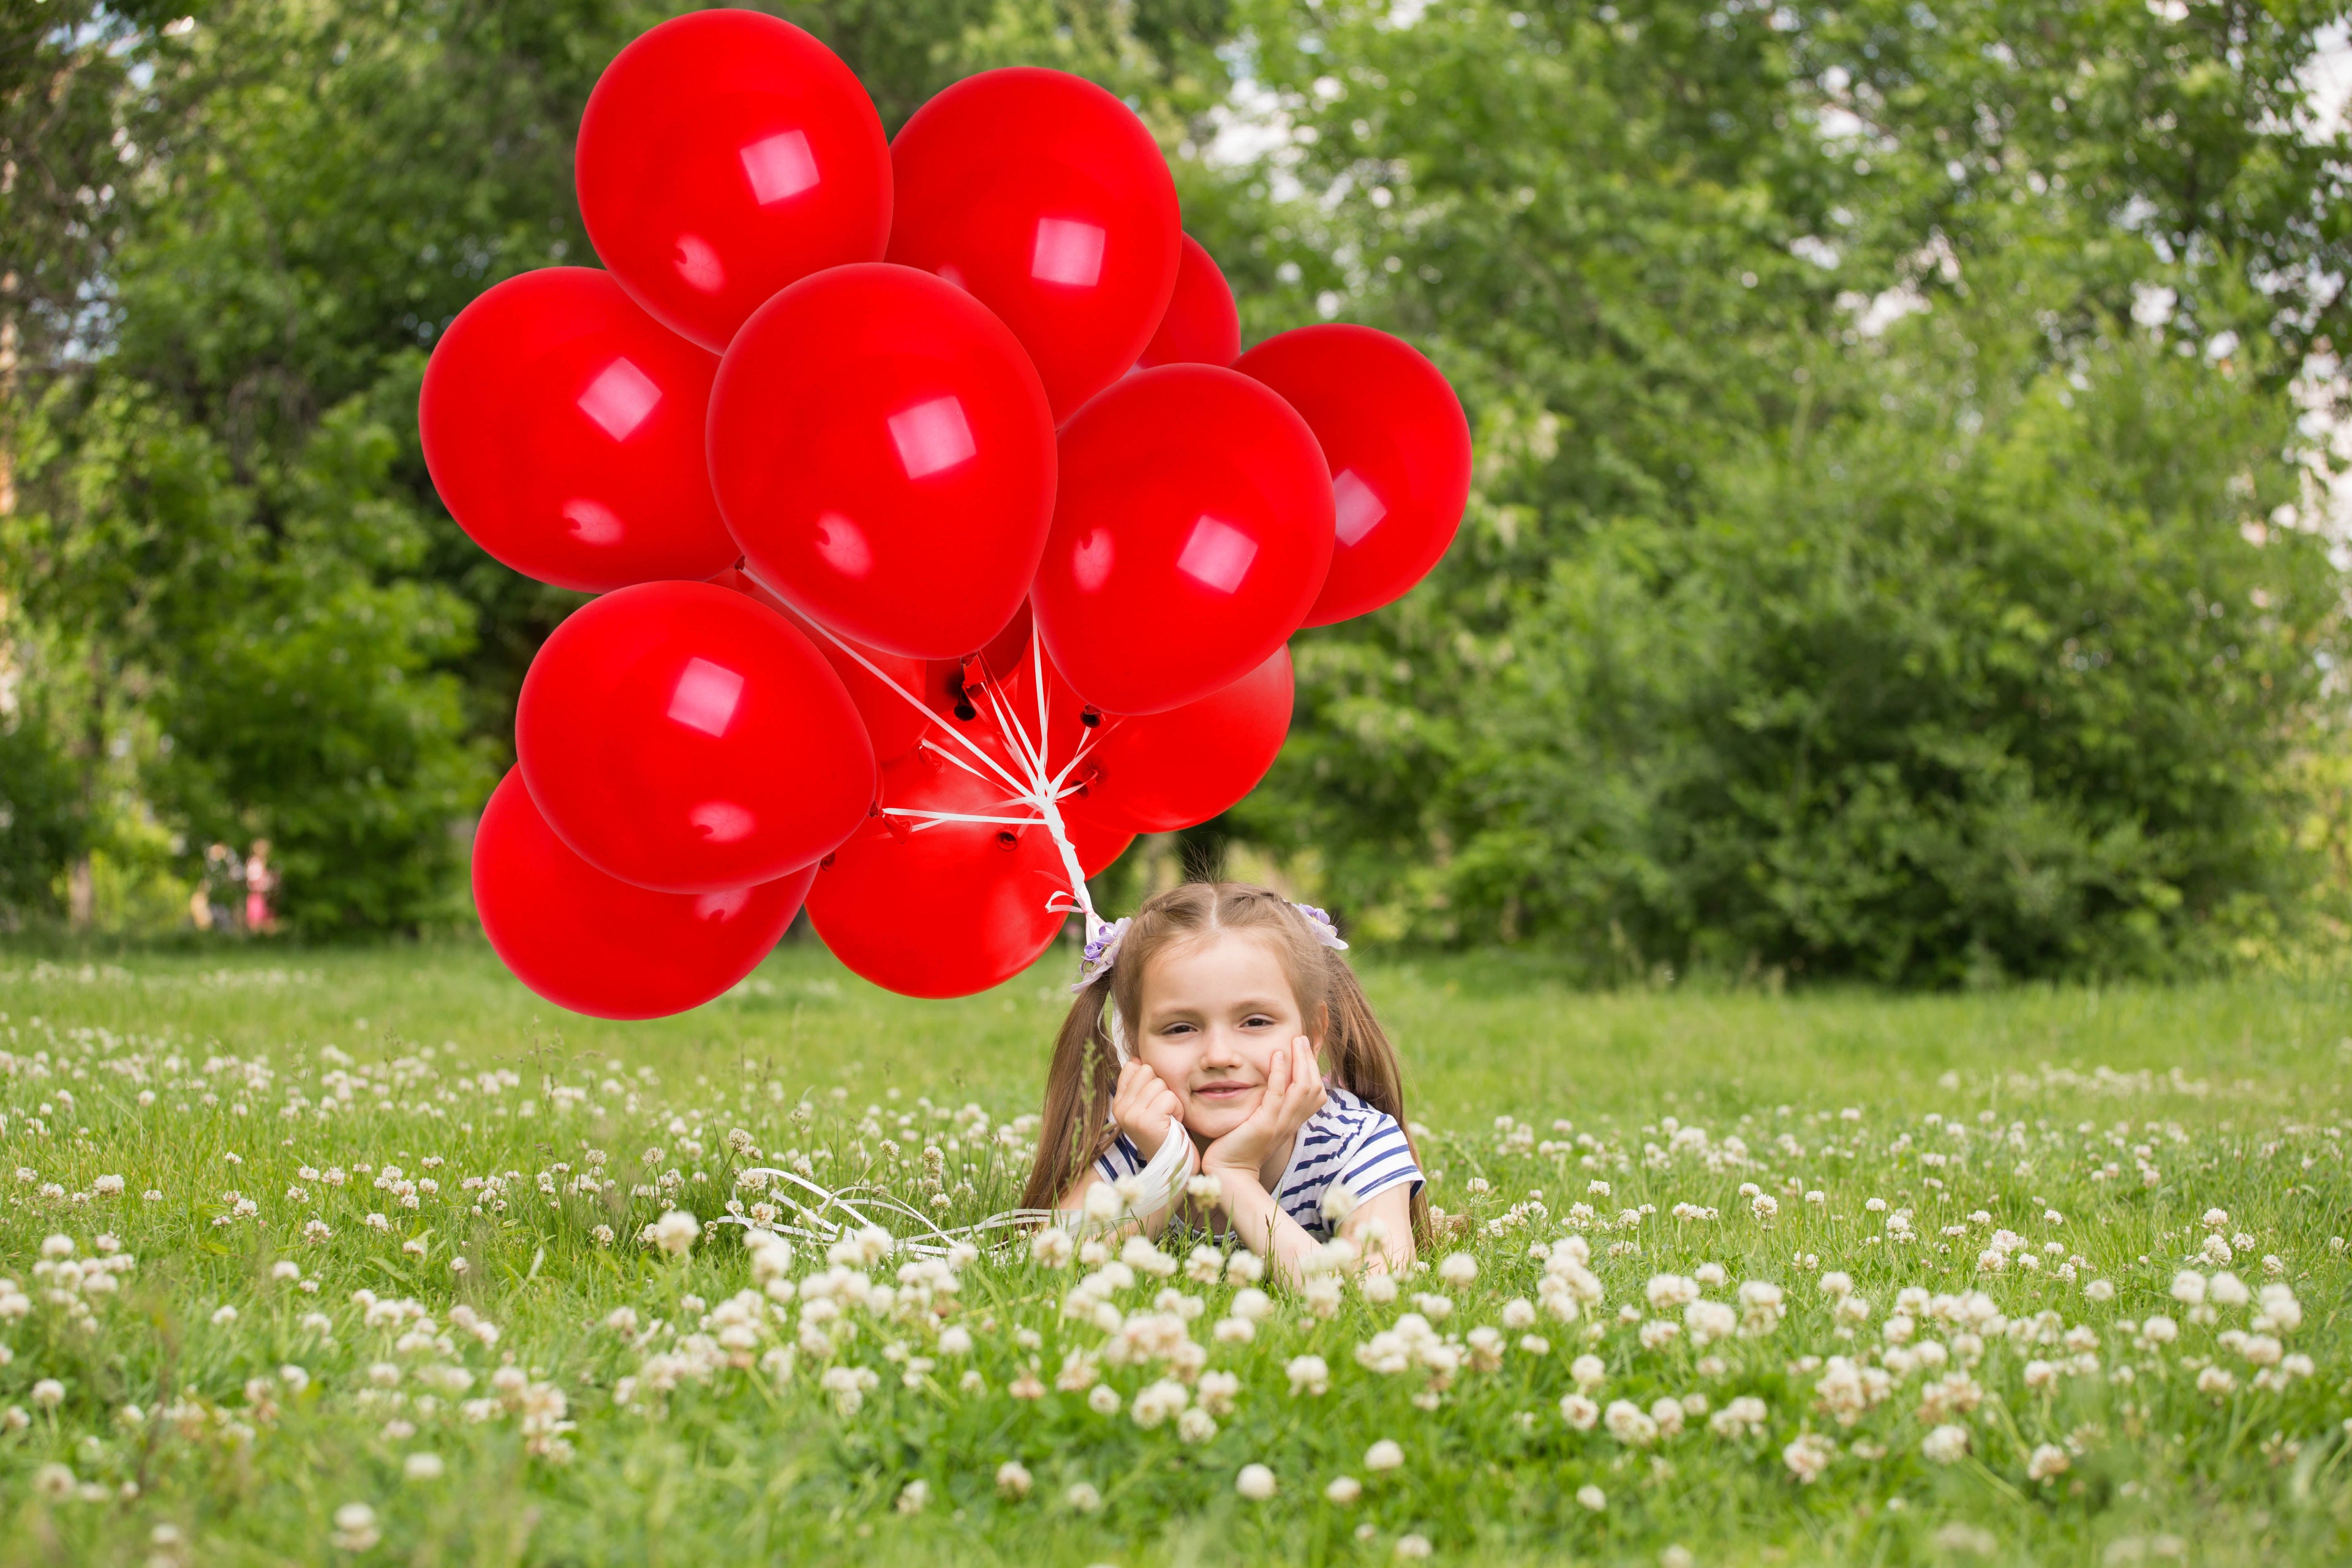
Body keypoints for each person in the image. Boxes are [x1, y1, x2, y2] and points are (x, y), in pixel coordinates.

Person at [1019, 882, 1426, 1278]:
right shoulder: (1137, 1135)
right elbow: (1047, 1265)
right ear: (1134, 1045)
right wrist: (1169, 1170)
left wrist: (1233, 1175)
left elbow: (1375, 1287)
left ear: (1314, 1033)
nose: (1218, 1056)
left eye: (1255, 1022)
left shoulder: (1354, 1141)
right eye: (1180, 1028)